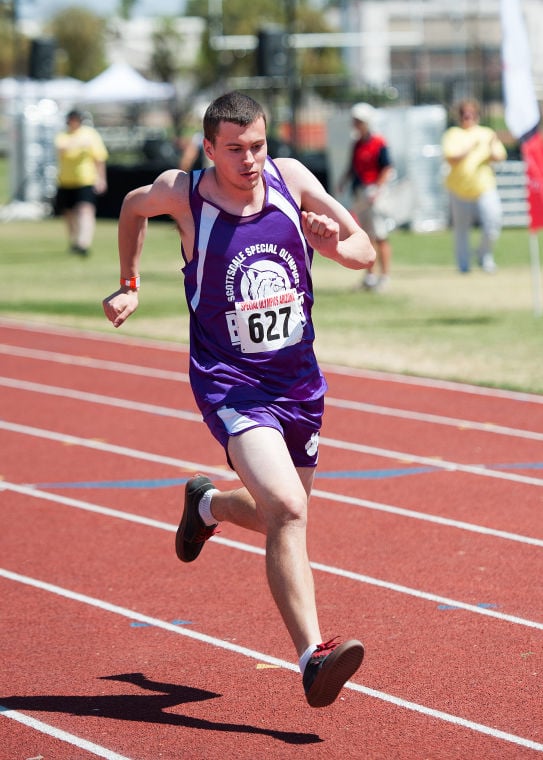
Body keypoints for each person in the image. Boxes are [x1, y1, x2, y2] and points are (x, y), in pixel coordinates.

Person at [103, 91, 375, 708]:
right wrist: (128, 283)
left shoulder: (291, 179)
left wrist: (331, 243)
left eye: (257, 146)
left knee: (278, 510)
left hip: (299, 381)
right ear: (209, 148)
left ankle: (208, 508)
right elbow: (129, 206)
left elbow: (362, 249)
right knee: (288, 509)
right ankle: (313, 658)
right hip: (230, 381)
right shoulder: (185, 192)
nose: (249, 159)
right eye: (235, 149)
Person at [441, 99, 507, 274]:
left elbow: (500, 156)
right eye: (464, 113)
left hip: (484, 187)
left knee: (493, 223)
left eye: (471, 113)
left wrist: (492, 149)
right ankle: (463, 265)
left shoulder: (486, 133)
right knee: (461, 231)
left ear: (477, 114)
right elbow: (450, 157)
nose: (468, 116)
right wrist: (468, 148)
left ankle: (485, 256)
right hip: (458, 189)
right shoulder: (453, 134)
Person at [339, 102, 394, 292]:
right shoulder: (357, 144)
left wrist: (378, 189)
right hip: (360, 191)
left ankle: (385, 276)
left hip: (373, 193)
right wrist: (343, 181)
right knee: (366, 235)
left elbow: (387, 167)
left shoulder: (378, 142)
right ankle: (370, 276)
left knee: (380, 235)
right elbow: (352, 167)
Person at [54, 109, 108, 256]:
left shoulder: (90, 135)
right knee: (68, 214)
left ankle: (84, 243)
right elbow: (61, 150)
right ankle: (74, 241)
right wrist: (79, 145)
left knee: (86, 210)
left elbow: (99, 158)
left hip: (86, 179)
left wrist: (101, 178)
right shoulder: (63, 136)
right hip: (65, 180)